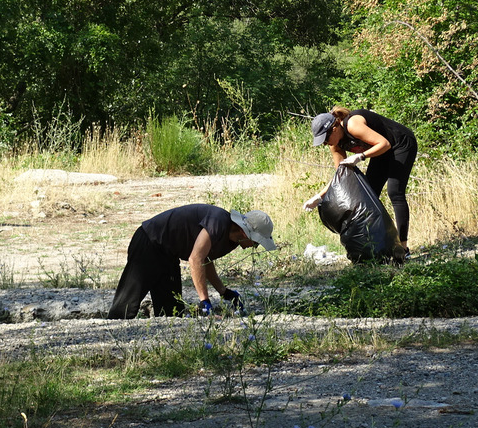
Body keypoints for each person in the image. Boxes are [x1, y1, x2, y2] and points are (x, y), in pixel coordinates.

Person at [107, 204, 277, 319]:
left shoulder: (231, 241)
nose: (254, 247)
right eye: (256, 242)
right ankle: (110, 339)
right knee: (126, 305)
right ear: (245, 233)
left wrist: (224, 291)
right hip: (149, 241)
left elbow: (206, 261)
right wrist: (205, 302)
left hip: (168, 254)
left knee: (171, 314)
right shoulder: (218, 222)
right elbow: (195, 259)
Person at [304, 106, 417, 253]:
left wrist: (360, 156)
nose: (326, 144)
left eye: (325, 139)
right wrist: (319, 196)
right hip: (381, 152)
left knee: (395, 192)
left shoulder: (353, 125)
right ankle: (378, 248)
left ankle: (403, 248)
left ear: (335, 128)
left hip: (401, 143)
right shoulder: (335, 145)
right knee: (368, 195)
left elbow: (384, 144)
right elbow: (340, 176)